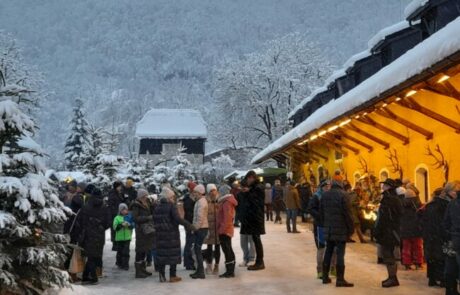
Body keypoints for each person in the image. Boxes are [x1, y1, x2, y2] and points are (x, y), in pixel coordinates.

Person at [320, 180, 354, 287]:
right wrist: (351, 229)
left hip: (328, 229)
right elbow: (348, 213)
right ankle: (340, 279)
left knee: (328, 251)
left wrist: (325, 224)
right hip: (341, 229)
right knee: (340, 254)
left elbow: (321, 213)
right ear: (341, 186)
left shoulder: (325, 195)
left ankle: (325, 277)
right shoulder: (344, 195)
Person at [154, 187, 192, 283]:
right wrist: (189, 225)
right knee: (173, 255)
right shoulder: (171, 206)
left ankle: (162, 275)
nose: (173, 199)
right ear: (168, 197)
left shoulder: (157, 206)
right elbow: (177, 219)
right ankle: (172, 276)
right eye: (172, 197)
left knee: (162, 254)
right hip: (171, 234)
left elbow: (155, 219)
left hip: (160, 234)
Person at [75, 188, 111, 285]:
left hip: (87, 234)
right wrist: (100, 227)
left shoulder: (85, 206)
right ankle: (91, 277)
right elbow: (108, 223)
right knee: (94, 256)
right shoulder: (104, 207)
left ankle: (87, 277)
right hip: (99, 235)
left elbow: (79, 221)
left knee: (90, 256)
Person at [374, 178, 403, 288]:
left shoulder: (391, 199)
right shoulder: (389, 198)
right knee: (387, 254)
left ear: (389, 187)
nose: (383, 186)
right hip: (388, 230)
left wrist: (380, 228)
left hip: (389, 231)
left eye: (385, 185)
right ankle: (392, 277)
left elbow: (388, 217)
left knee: (388, 254)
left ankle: (393, 278)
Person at [419, 187, 448, 287]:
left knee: (431, 257)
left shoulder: (428, 205)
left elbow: (420, 217)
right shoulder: (444, 205)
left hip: (429, 234)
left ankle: (432, 279)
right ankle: (442, 279)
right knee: (441, 257)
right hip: (439, 234)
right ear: (443, 194)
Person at [241, 171, 265, 271]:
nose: (249, 179)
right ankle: (259, 262)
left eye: (251, 178)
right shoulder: (253, 188)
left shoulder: (257, 188)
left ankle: (259, 262)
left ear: (255, 178)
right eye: (248, 178)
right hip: (252, 218)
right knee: (256, 239)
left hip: (256, 218)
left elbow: (257, 202)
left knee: (256, 239)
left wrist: (248, 193)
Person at [308, 179, 331, 279]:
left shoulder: (330, 196)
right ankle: (320, 270)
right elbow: (311, 209)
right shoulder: (316, 196)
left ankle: (331, 268)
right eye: (326, 186)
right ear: (322, 187)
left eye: (329, 186)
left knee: (332, 248)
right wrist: (320, 216)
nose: (327, 188)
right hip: (320, 225)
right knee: (321, 248)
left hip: (329, 225)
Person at [131, 189, 156, 279]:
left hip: (147, 230)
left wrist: (153, 204)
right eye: (144, 196)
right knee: (140, 251)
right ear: (140, 196)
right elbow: (135, 218)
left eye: (146, 195)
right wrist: (147, 218)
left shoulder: (147, 203)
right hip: (141, 231)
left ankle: (143, 269)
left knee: (145, 250)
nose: (146, 197)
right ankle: (138, 272)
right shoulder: (136, 205)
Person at [442, 181, 460, 295]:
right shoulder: (451, 203)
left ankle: (451, 290)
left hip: (453, 239)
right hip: (453, 238)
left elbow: (445, 223)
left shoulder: (452, 203)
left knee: (451, 266)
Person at [217, 184, 238, 278]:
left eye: (220, 192)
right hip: (226, 229)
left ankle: (230, 271)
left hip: (225, 230)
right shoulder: (226, 201)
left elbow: (228, 218)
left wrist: (222, 229)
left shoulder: (226, 203)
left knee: (227, 249)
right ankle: (230, 270)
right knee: (228, 249)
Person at [400, 188, 423, 270]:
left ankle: (407, 263)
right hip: (416, 229)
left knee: (406, 248)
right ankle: (418, 262)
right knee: (418, 247)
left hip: (405, 229)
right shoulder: (417, 203)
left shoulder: (402, 204)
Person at [190, 184, 209, 279]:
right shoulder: (200, 201)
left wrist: (194, 228)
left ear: (200, 193)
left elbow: (200, 218)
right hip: (201, 228)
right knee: (197, 250)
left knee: (197, 250)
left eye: (196, 192)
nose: (194, 194)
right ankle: (199, 271)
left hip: (201, 229)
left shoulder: (201, 202)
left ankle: (200, 272)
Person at [237, 179, 256, 267]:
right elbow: (238, 207)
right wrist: (238, 217)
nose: (243, 188)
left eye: (245, 187)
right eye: (242, 187)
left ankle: (251, 258)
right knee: (243, 241)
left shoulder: (252, 195)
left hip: (251, 220)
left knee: (251, 240)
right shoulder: (239, 195)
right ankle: (245, 258)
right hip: (243, 221)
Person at [204, 183, 221, 275]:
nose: (212, 192)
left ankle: (217, 266)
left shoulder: (220, 200)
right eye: (210, 190)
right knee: (209, 247)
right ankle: (209, 265)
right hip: (209, 228)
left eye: (214, 190)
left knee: (218, 247)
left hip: (218, 228)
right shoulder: (206, 201)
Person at [113, 203, 133, 270]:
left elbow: (132, 225)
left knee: (126, 252)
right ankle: (119, 263)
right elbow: (115, 227)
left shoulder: (129, 217)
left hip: (127, 238)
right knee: (120, 252)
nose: (125, 211)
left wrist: (129, 225)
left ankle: (125, 265)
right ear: (120, 211)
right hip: (119, 238)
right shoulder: (117, 218)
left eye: (126, 210)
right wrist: (121, 225)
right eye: (123, 210)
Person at [183, 181, 197, 270]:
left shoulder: (192, 198)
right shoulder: (188, 199)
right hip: (189, 223)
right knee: (189, 243)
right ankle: (188, 263)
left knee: (191, 243)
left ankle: (190, 262)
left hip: (190, 223)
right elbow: (189, 213)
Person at [108, 181, 125, 251]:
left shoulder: (119, 193)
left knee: (118, 228)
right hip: (114, 215)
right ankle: (115, 245)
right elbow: (111, 205)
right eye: (119, 186)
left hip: (119, 214)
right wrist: (116, 212)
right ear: (116, 187)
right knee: (115, 229)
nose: (120, 188)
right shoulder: (112, 194)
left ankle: (118, 243)